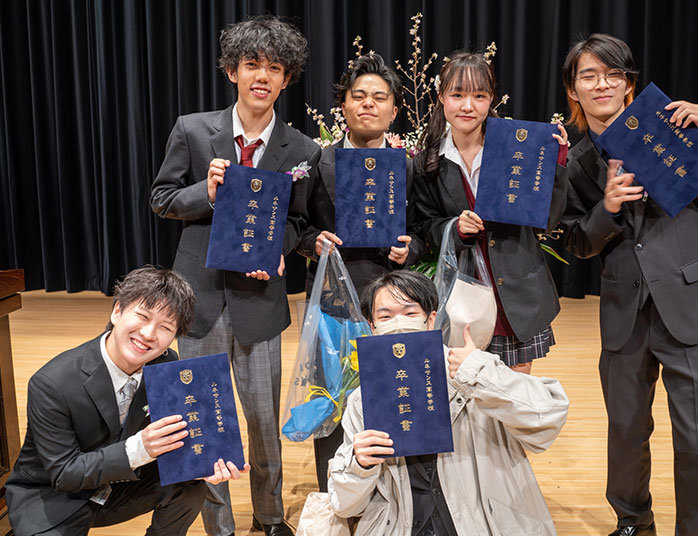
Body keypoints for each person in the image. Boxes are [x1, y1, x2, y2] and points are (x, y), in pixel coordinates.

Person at [560, 33, 698, 536]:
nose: (602, 84)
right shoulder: (575, 162)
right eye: (589, 76)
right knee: (626, 431)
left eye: (613, 74)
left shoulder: (670, 130)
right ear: (573, 90)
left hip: (691, 302)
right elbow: (577, 242)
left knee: (694, 437)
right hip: (626, 313)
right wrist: (607, 208)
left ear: (629, 84)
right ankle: (633, 521)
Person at [150, 15, 320, 536]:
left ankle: (270, 518)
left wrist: (280, 249)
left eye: (274, 68)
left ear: (286, 79)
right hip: (198, 300)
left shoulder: (302, 150)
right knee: (204, 419)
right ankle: (218, 525)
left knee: (263, 422)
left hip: (260, 301)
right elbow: (161, 199)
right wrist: (205, 192)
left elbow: (298, 222)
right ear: (232, 71)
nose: (262, 76)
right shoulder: (193, 129)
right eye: (252, 65)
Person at [5, 266, 249, 536]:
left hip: (116, 484)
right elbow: (64, 474)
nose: (149, 334)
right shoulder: (51, 383)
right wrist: (140, 447)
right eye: (143, 316)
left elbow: (179, 438)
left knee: (191, 486)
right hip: (55, 495)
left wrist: (204, 462)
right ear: (117, 311)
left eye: (165, 327)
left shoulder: (166, 366)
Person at [327, 270, 569, 535]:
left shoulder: (472, 375)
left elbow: (549, 418)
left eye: (410, 313)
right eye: (385, 317)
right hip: (401, 525)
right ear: (372, 327)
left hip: (480, 524)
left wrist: (481, 374)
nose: (398, 324)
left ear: (430, 320)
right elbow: (345, 506)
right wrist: (359, 465)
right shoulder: (363, 402)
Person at [296, 52, 426, 492]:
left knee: (394, 395)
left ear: (394, 110)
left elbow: (423, 228)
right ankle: (334, 495)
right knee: (331, 403)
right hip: (331, 304)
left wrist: (411, 249)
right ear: (344, 106)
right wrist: (312, 241)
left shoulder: (406, 165)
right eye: (359, 96)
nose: (368, 104)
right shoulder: (319, 162)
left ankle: (392, 494)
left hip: (392, 306)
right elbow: (295, 225)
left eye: (379, 97)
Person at [414, 51, 569, 374]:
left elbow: (547, 221)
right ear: (441, 96)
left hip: (516, 291)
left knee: (513, 392)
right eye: (457, 95)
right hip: (464, 294)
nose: (467, 106)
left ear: (491, 99)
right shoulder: (429, 160)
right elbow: (426, 225)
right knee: (465, 386)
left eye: (479, 96)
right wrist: (455, 228)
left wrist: (555, 165)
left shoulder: (517, 149)